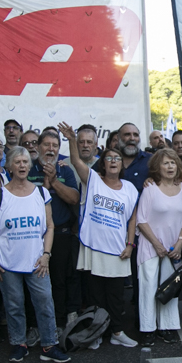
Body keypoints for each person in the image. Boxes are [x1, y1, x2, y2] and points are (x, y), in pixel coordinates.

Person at [0, 147, 69, 363]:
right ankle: (18, 343)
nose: (22, 166)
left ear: (29, 166)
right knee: (14, 304)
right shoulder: (0, 194)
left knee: (44, 302)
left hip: (37, 261)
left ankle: (49, 345)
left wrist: (47, 254)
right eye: (17, 162)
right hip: (7, 261)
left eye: (25, 162)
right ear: (9, 167)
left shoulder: (42, 193)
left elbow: (50, 227)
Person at [59, 122, 139, 348]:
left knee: (115, 296)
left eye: (117, 159)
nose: (113, 162)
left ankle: (117, 332)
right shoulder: (93, 180)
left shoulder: (130, 188)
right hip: (94, 246)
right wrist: (71, 139)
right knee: (95, 296)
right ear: (101, 163)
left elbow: (132, 218)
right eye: (108, 158)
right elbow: (75, 161)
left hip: (117, 248)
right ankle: (94, 334)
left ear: (122, 164)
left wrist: (130, 244)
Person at [29, 130, 80, 327]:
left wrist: (55, 181)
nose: (51, 149)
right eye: (47, 145)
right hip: (33, 236)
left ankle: (57, 325)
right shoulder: (28, 167)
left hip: (60, 235)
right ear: (38, 146)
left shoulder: (65, 169)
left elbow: (73, 199)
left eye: (55, 146)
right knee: (33, 283)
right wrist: (44, 183)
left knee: (58, 282)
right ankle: (35, 326)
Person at [136, 148, 182, 345]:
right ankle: (148, 329)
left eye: (173, 163)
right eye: (165, 163)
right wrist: (156, 244)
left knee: (169, 288)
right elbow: (141, 220)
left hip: (172, 248)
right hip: (151, 245)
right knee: (148, 288)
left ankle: (167, 327)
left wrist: (180, 242)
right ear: (157, 167)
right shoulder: (150, 189)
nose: (170, 166)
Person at [117, 123, 151, 192]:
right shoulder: (108, 160)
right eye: (127, 134)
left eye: (136, 135)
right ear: (118, 138)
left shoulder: (151, 160)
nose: (132, 138)